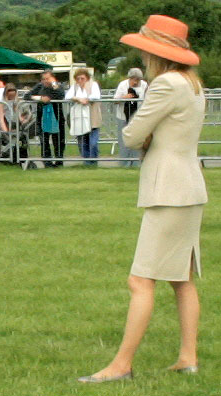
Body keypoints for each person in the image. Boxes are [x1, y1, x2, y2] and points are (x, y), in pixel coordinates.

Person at [78, 15, 207, 383]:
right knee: (181, 279)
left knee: (140, 280)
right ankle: (188, 357)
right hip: (188, 187)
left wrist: (143, 135)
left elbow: (133, 135)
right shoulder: (192, 82)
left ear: (155, 52)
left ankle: (121, 366)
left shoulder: (166, 83)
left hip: (169, 190)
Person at [24, 71, 66, 167]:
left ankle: (59, 161)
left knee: (59, 141)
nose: (45, 81)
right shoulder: (39, 86)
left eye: (48, 79)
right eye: (43, 79)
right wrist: (40, 98)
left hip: (57, 117)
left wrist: (53, 83)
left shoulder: (57, 86)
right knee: (44, 141)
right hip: (42, 117)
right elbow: (27, 96)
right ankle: (47, 162)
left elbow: (61, 94)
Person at [0, 83, 28, 164]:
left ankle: (1, 154)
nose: (11, 98)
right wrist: (7, 133)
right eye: (9, 97)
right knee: (0, 136)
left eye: (13, 96)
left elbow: (15, 107)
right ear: (5, 94)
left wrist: (21, 118)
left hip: (6, 114)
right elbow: (1, 119)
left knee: (7, 137)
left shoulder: (15, 94)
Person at [66, 68, 101, 165]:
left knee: (93, 143)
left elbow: (96, 96)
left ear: (87, 78)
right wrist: (77, 98)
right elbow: (67, 96)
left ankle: (93, 162)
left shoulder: (93, 85)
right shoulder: (75, 87)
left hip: (92, 118)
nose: (80, 81)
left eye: (82, 78)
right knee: (82, 143)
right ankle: (87, 163)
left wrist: (87, 99)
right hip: (80, 120)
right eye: (78, 79)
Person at [114, 68, 148, 166]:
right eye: (134, 79)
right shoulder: (122, 85)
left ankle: (136, 164)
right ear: (130, 78)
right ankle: (124, 164)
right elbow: (115, 100)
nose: (136, 82)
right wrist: (124, 97)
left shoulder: (144, 85)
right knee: (124, 142)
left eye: (138, 79)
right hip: (123, 117)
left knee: (137, 141)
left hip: (137, 119)